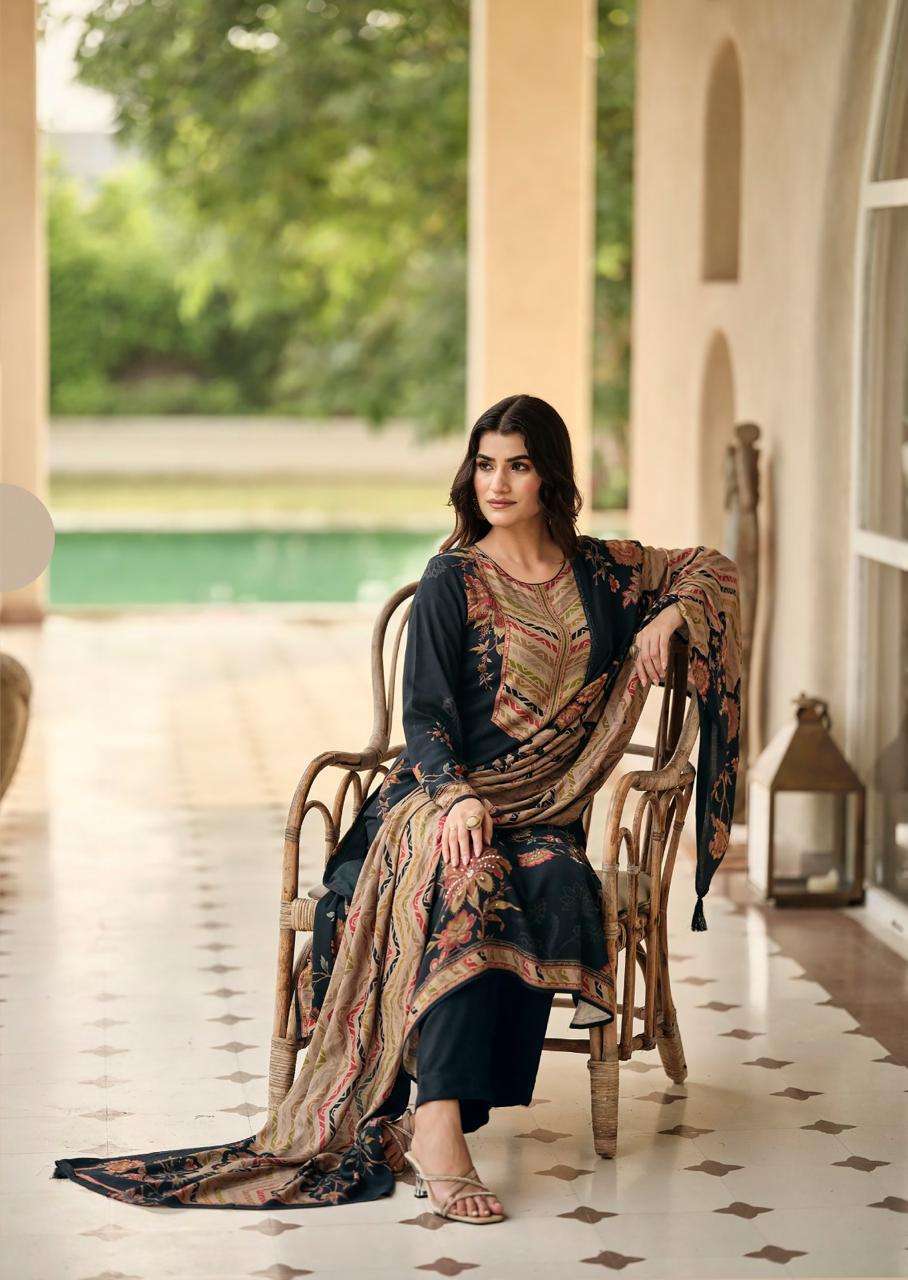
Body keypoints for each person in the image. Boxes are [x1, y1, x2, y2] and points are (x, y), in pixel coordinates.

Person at [53, 394, 741, 1217]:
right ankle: (439, 1124)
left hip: (543, 810)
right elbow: (425, 718)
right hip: (432, 799)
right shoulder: (454, 577)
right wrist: (454, 798)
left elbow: (715, 568)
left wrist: (672, 614)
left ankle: (436, 1115)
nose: (497, 483)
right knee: (468, 879)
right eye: (485, 464)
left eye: (518, 465)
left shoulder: (604, 571)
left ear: (550, 476)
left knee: (556, 882)